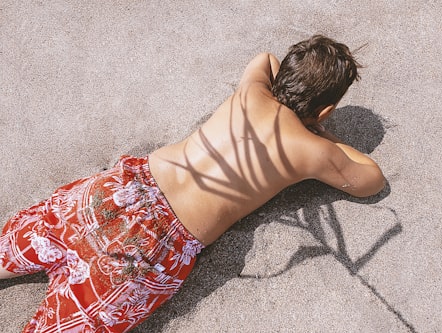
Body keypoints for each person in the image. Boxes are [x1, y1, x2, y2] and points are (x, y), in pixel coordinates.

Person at [0, 34, 385, 332]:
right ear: (327, 109)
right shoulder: (312, 151)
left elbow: (264, 58)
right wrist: (322, 134)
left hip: (121, 189)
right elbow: (370, 180)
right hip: (152, 250)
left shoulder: (252, 91)